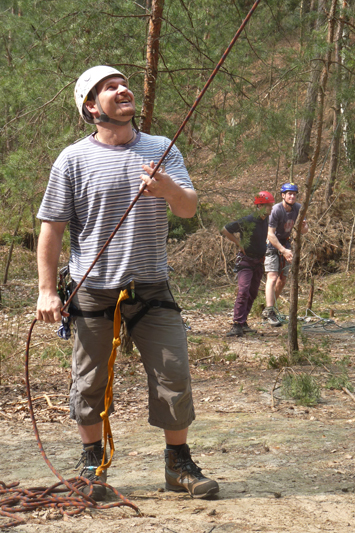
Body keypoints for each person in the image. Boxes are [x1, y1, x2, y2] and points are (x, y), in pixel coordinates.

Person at [36, 65, 219, 501]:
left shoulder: (161, 149)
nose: (123, 89)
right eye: (109, 87)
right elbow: (52, 229)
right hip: (92, 290)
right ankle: (91, 465)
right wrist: (46, 291)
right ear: (90, 107)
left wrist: (168, 189)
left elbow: (189, 209)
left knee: (174, 376)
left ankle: (178, 466)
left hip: (152, 288)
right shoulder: (72, 159)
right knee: (88, 383)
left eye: (123, 83)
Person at [222, 191, 275, 337]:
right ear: (259, 206)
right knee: (243, 290)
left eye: (271, 206)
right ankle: (237, 324)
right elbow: (226, 229)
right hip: (246, 260)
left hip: (259, 261)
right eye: (268, 206)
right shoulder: (249, 220)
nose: (270, 209)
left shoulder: (266, 220)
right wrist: (239, 243)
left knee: (252, 292)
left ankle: (243, 322)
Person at [263, 182, 308, 327]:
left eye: (294, 194)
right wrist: (283, 250)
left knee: (282, 279)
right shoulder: (276, 210)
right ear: (283, 195)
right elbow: (270, 234)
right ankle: (270, 310)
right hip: (272, 244)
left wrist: (304, 226)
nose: (292, 196)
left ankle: (270, 308)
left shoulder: (299, 208)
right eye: (289, 194)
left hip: (285, 243)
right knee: (272, 276)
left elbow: (304, 231)